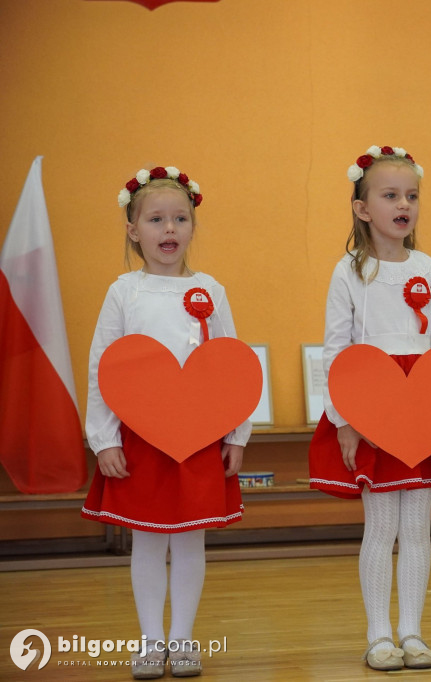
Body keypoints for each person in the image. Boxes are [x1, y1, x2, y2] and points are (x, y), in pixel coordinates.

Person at [307, 146, 431, 671]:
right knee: (381, 526)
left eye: (411, 195)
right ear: (363, 209)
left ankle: (412, 631)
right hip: (373, 406)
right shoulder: (349, 272)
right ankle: (378, 634)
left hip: (425, 403)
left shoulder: (430, 268)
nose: (403, 204)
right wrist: (344, 420)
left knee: (418, 528)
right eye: (389, 195)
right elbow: (336, 350)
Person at [81, 166, 249, 679]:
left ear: (193, 226)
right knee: (149, 539)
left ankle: (185, 640)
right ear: (134, 230)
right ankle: (151, 642)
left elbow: (228, 365)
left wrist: (236, 434)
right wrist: (104, 438)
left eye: (180, 219)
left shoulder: (210, 290)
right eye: (156, 219)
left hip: (198, 438)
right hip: (141, 438)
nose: (169, 229)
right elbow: (102, 367)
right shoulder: (123, 292)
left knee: (191, 538)